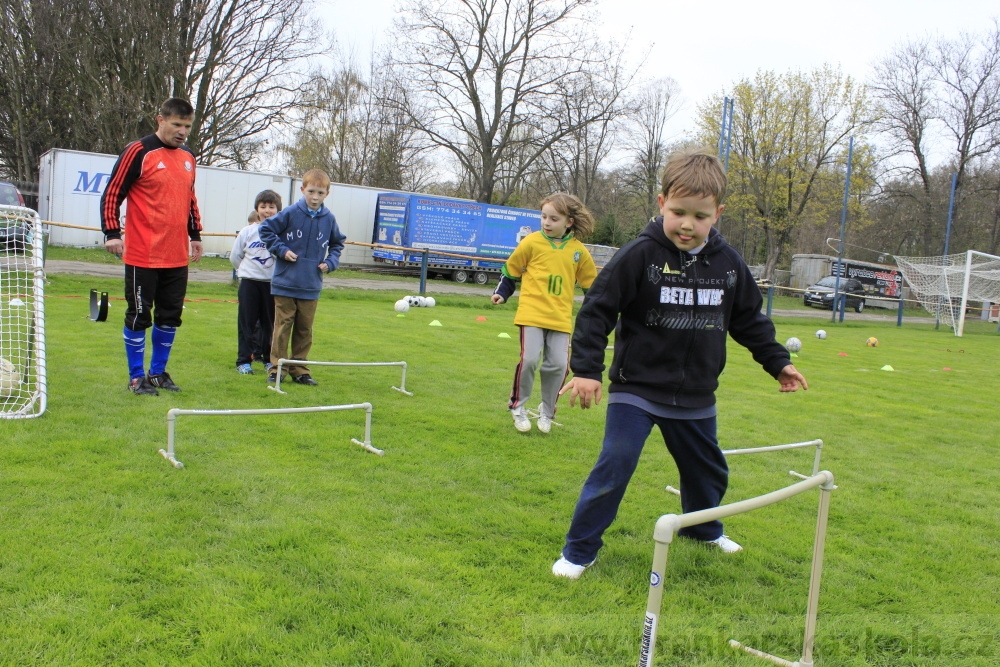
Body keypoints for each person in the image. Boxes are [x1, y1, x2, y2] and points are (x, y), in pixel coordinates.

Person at [552, 150, 808, 579]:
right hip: (637, 389)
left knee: (707, 471)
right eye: (678, 212)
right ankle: (579, 551)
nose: (688, 224)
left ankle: (703, 528)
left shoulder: (729, 266)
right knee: (614, 466)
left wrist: (778, 362)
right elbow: (597, 310)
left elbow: (749, 319)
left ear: (718, 213)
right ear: (661, 204)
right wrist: (587, 371)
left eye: (700, 216)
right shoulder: (640, 255)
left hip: (695, 396)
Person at [101, 97, 203, 396]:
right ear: (160, 120)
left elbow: (190, 199)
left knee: (170, 316)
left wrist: (195, 235)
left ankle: (157, 373)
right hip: (142, 254)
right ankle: (136, 377)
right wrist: (111, 232)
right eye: (176, 125)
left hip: (176, 256)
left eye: (187, 126)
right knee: (138, 316)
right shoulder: (139, 151)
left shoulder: (188, 157)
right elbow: (113, 192)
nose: (182, 131)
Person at [491, 193, 597, 433]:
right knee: (529, 359)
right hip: (531, 314)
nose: (546, 223)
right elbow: (511, 270)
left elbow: (592, 287)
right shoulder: (531, 242)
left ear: (568, 222)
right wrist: (502, 293)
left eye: (554, 218)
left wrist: (599, 310)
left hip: (560, 319)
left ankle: (547, 411)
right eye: (544, 217)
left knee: (559, 365)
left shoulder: (578, 252)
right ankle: (518, 407)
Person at [258, 169, 345, 386]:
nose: (315, 197)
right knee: (282, 326)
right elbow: (266, 230)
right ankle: (277, 369)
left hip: (311, 283)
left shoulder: (329, 219)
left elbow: (337, 244)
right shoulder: (289, 212)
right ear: (303, 189)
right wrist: (281, 250)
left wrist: (331, 262)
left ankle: (300, 370)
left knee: (305, 328)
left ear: (327, 193)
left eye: (320, 193)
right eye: (311, 191)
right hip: (285, 282)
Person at [231, 191, 282, 375]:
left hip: (271, 285)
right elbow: (235, 257)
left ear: (278, 210)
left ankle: (268, 359)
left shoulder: (282, 232)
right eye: (263, 207)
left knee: (270, 324)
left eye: (271, 207)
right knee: (247, 323)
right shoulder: (248, 232)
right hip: (249, 284)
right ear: (257, 209)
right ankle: (244, 360)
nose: (267, 211)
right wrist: (247, 272)